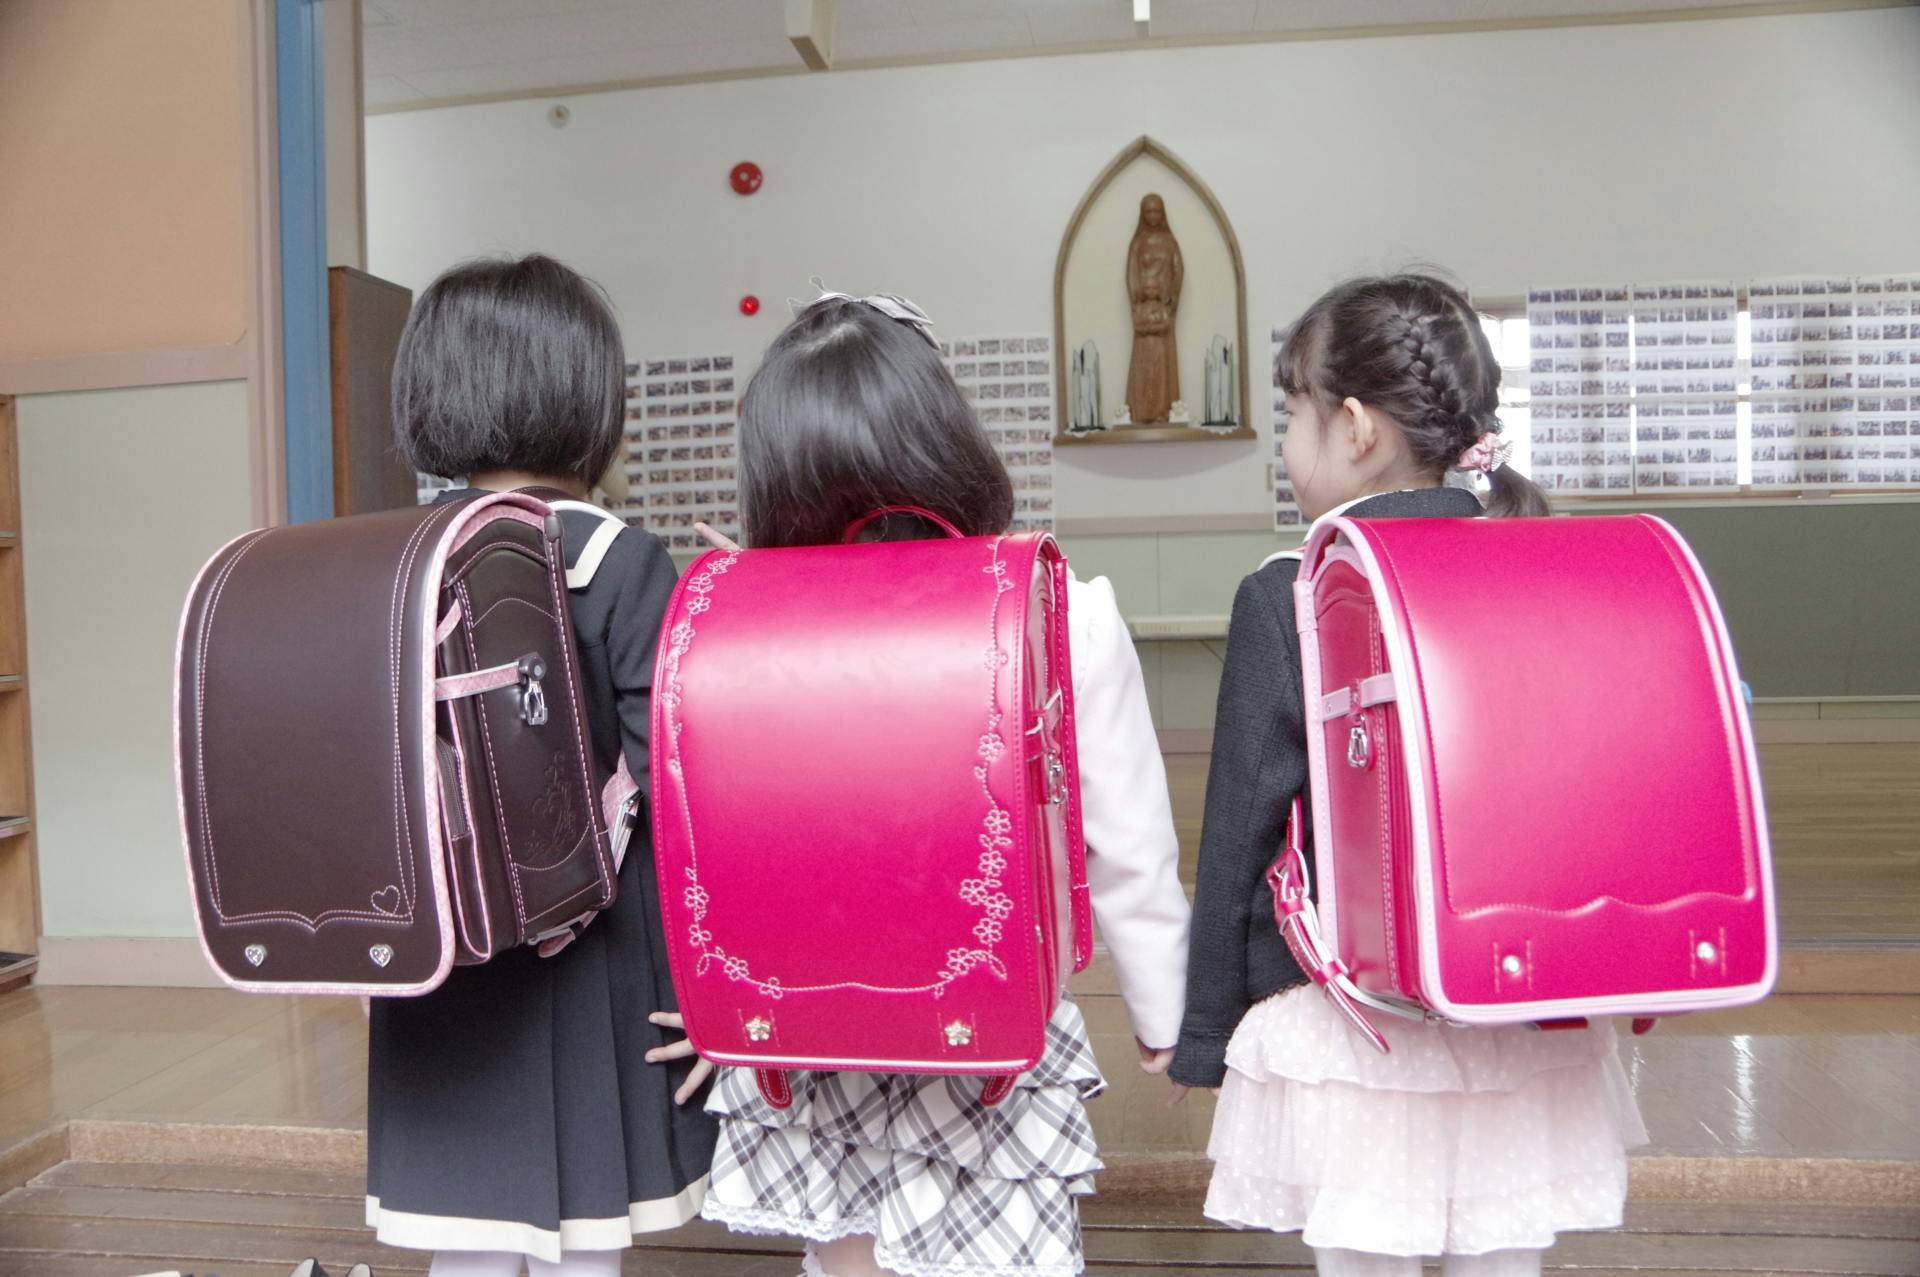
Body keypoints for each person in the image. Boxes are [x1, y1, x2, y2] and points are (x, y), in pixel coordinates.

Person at [689, 288, 1192, 1277]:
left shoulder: (742, 626)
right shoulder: (1057, 609)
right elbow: (1129, 848)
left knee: (843, 1259)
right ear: (944, 439)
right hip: (989, 1033)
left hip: (817, 1030)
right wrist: (1166, 1017)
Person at [1168, 274, 1647, 1277]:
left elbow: (1242, 827)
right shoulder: (1534, 563)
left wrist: (1205, 1030)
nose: (1287, 440)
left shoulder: (1291, 594)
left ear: (1354, 427)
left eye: (1292, 411)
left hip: (1353, 1025)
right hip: (1520, 1008)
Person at [366, 253, 717, 1277]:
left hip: (446, 954)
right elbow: (680, 791)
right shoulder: (624, 561)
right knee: (584, 1243)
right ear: (589, 399)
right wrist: (713, 983)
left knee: (465, 1240)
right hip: (600, 954)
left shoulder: (399, 560)